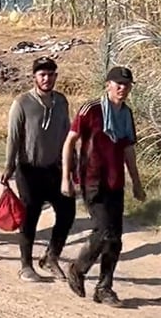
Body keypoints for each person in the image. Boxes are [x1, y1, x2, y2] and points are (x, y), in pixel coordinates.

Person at [61, 66, 146, 307]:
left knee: (115, 239)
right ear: (107, 84)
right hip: (92, 180)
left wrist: (136, 183)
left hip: (115, 182)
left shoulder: (126, 114)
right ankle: (77, 268)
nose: (122, 89)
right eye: (118, 84)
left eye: (127, 85)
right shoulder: (91, 110)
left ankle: (104, 288)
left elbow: (128, 150)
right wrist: (66, 177)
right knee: (103, 231)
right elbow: (70, 142)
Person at [0, 57, 75, 282]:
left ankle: (51, 256)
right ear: (34, 77)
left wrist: (72, 164)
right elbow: (13, 137)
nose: (47, 78)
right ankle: (26, 265)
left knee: (67, 211)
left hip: (54, 168)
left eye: (51, 74)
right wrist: (8, 166)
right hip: (28, 169)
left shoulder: (61, 102)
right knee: (29, 216)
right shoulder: (22, 103)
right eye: (42, 74)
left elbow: (67, 133)